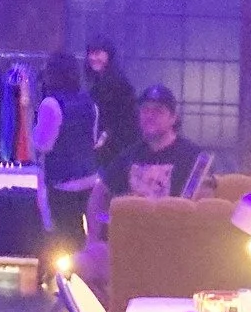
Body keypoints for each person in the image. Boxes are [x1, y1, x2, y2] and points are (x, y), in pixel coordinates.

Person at [85, 83, 205, 241]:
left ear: (173, 118)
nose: (149, 116)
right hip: (132, 243)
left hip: (176, 243)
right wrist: (97, 234)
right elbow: (99, 193)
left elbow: (204, 204)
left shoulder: (193, 157)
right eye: (145, 110)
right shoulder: (129, 155)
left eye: (157, 111)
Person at [32, 50, 99, 261]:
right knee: (84, 237)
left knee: (62, 237)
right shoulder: (90, 103)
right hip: (89, 179)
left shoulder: (50, 104)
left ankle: (61, 282)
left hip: (62, 181)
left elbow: (43, 144)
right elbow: (93, 139)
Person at [84, 36, 138, 154]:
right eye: (90, 54)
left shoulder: (119, 82)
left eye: (97, 53)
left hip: (118, 144)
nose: (93, 58)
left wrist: (105, 136)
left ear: (109, 55)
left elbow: (124, 116)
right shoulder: (96, 82)